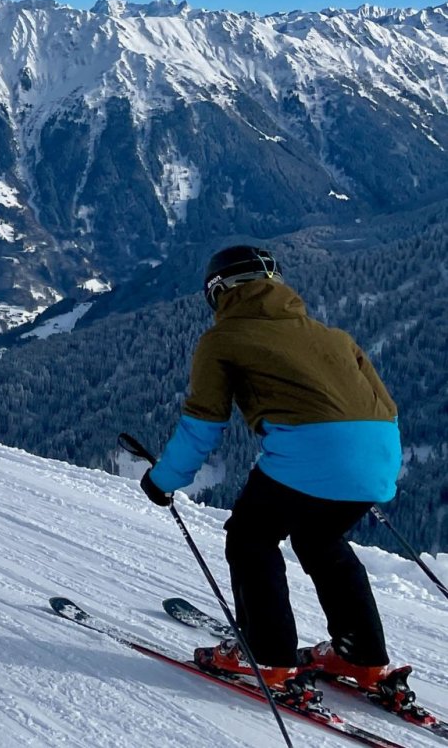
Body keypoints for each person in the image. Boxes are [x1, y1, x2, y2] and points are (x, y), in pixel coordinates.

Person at [140, 245, 403, 698]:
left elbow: (203, 424)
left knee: (251, 537)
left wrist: (163, 481)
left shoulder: (222, 340)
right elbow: (385, 407)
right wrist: (362, 469)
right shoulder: (334, 336)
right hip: (379, 459)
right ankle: (360, 655)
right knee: (321, 541)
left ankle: (266, 657)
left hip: (309, 456)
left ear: (219, 293)